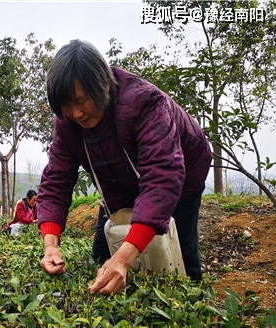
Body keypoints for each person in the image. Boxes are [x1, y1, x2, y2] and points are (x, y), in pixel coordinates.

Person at [37, 40, 212, 295]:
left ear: (104, 85)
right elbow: (56, 180)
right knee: (102, 253)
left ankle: (195, 304)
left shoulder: (145, 102)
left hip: (181, 176)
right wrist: (50, 245)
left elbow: (162, 178)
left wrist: (124, 259)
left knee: (180, 253)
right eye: (66, 106)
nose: (76, 113)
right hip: (118, 180)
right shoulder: (68, 123)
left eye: (81, 100)